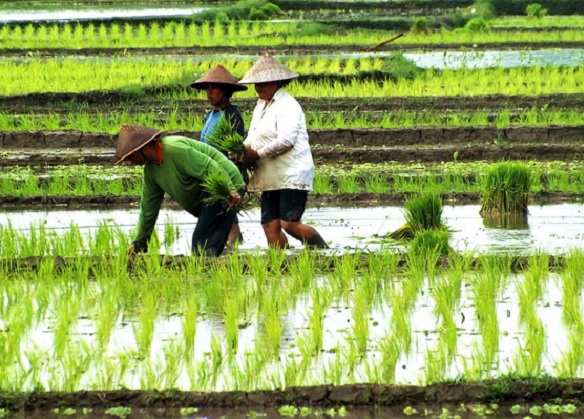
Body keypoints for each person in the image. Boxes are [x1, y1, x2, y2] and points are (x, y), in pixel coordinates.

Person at [239, 52, 328, 249]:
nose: (258, 87)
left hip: (291, 173)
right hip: (271, 174)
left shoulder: (288, 105)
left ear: (277, 82)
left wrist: (257, 154)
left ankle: (325, 253)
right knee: (270, 226)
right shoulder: (261, 106)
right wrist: (241, 152)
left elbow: (286, 140)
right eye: (256, 83)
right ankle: (281, 265)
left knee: (290, 224)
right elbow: (253, 137)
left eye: (263, 82)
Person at [114, 124, 244, 257]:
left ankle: (210, 272)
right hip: (205, 197)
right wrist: (139, 242)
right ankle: (214, 271)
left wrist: (230, 189)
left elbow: (209, 167)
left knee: (201, 242)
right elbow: (148, 207)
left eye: (130, 157)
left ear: (142, 148)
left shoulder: (174, 150)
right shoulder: (151, 171)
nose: (131, 162)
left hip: (223, 187)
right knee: (207, 242)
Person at [190, 64, 248, 247]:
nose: (209, 93)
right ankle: (228, 251)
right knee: (225, 220)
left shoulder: (232, 115)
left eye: (213, 88)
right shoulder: (212, 114)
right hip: (210, 175)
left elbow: (235, 153)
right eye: (207, 89)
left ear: (226, 91)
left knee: (229, 221)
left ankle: (233, 253)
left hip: (226, 176)